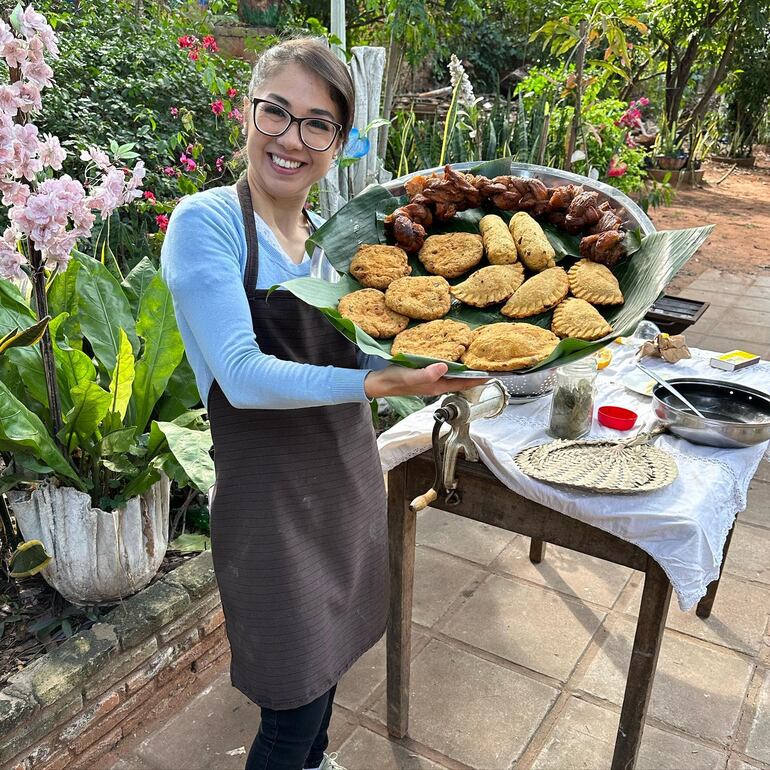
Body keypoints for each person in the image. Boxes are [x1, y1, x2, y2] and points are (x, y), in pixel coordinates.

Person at [161, 37, 480, 770]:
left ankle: (315, 764)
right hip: (270, 509)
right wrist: (380, 384)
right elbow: (242, 375)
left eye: (317, 124)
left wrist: (441, 354)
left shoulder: (334, 242)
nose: (291, 138)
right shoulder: (206, 224)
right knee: (290, 701)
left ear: (337, 144)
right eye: (277, 111)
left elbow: (369, 344)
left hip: (345, 485)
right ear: (248, 113)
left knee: (329, 665)